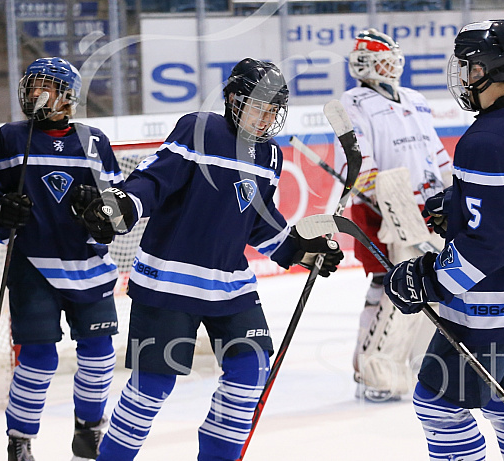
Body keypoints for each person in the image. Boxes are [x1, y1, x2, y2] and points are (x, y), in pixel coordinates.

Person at [78, 57, 343, 461]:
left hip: (230, 286)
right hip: (168, 281)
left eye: (273, 110)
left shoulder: (270, 156)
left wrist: (301, 250)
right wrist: (123, 206)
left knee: (250, 373)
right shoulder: (200, 129)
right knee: (152, 386)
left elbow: (257, 221)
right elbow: (154, 179)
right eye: (259, 106)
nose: (266, 117)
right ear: (234, 100)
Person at [383, 20, 504, 459]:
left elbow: (486, 248)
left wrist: (424, 280)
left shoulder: (483, 139)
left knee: (438, 407)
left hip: (493, 310)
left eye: (469, 66)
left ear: (486, 71)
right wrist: (459, 204)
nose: (464, 76)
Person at [0, 57, 124, 461]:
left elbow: (118, 213)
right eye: (31, 86)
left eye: (44, 86)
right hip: (33, 267)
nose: (35, 94)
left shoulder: (94, 140)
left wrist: (98, 212)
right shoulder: (11, 138)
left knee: (100, 355)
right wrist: (2, 212)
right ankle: (20, 439)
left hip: (89, 267)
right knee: (39, 359)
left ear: (68, 96)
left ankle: (88, 432)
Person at [334, 28, 452, 401]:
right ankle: (371, 370)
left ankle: (415, 361)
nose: (391, 64)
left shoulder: (415, 99)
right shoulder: (352, 101)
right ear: (364, 64)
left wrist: (450, 189)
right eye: (382, 58)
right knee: (388, 285)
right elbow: (358, 160)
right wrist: (377, 193)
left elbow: (435, 152)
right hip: (386, 207)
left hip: (428, 206)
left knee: (431, 285)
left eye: (392, 57)